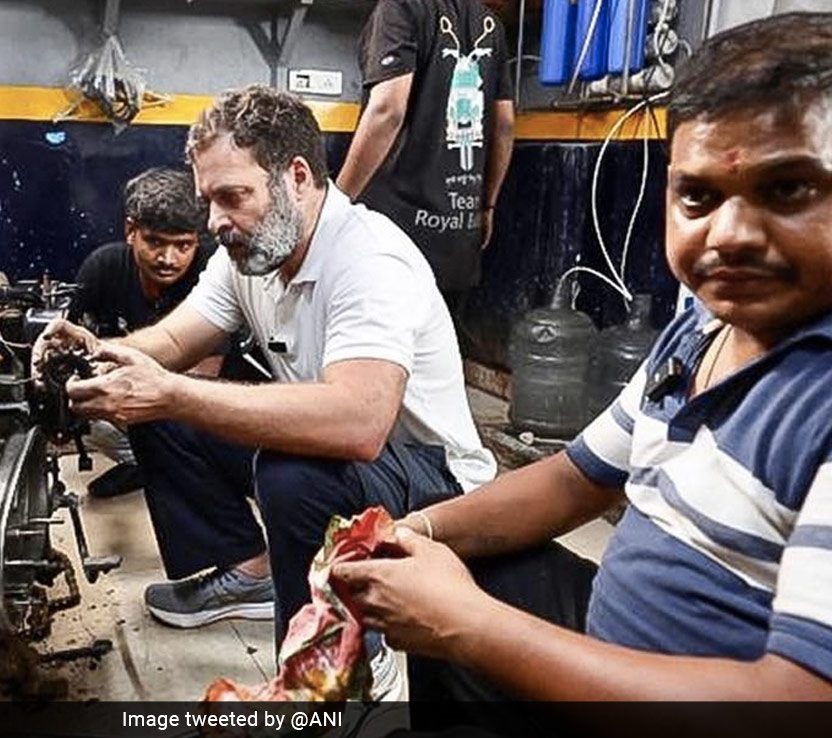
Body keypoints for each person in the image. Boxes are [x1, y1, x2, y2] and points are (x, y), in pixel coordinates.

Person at [331, 10, 832, 717]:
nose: (731, 234)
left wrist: (469, 627)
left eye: (788, 191)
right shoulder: (700, 328)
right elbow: (575, 479)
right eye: (697, 196)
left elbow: (800, 707)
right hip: (616, 647)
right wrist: (419, 531)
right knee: (445, 557)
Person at [35, 84, 496, 699]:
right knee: (160, 410)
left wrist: (169, 391)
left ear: (296, 176)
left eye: (232, 197)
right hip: (345, 457)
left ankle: (343, 667)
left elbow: (359, 424)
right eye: (208, 202)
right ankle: (250, 572)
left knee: (290, 471)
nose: (215, 222)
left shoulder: (368, 258)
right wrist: (98, 354)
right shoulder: (248, 253)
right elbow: (174, 342)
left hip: (435, 480)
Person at [336, 0, 515, 310]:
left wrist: (337, 202)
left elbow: (387, 109)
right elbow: (504, 125)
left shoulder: (400, 8)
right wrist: (487, 205)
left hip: (391, 241)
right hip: (458, 234)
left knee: (379, 350)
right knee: (438, 351)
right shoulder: (490, 24)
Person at [67, 167, 214, 498]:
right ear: (131, 230)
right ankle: (146, 468)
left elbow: (208, 380)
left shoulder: (211, 273)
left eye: (183, 245)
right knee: (101, 427)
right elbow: (72, 341)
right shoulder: (103, 267)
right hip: (139, 408)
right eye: (155, 242)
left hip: (197, 409)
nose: (168, 259)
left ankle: (177, 469)